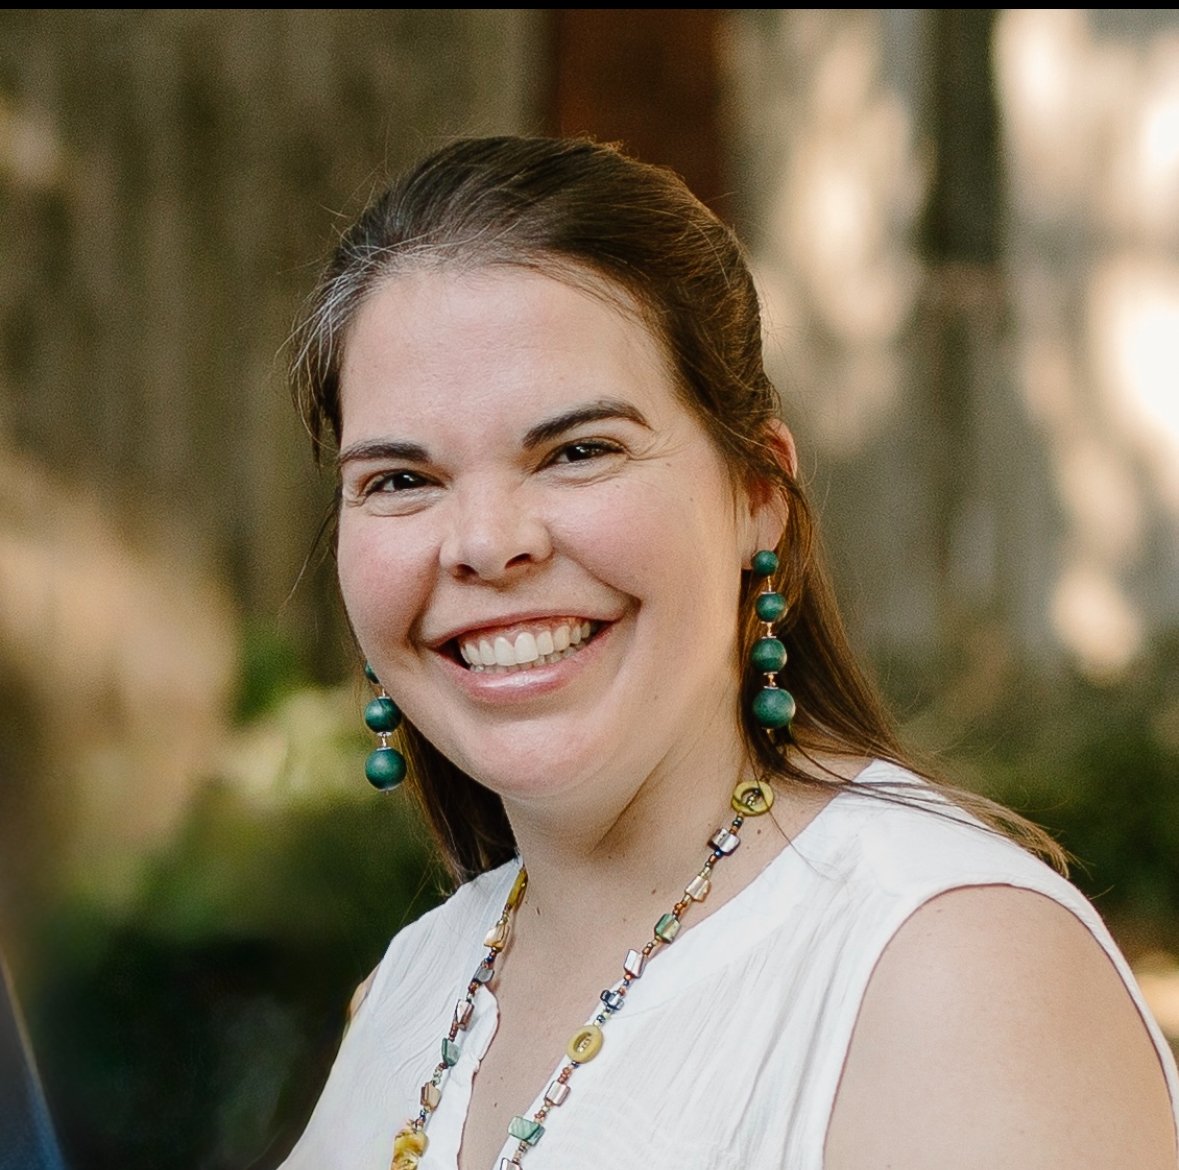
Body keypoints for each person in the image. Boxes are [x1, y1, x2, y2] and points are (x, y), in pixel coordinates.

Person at [280, 136, 1179, 1170]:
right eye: (400, 480)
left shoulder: (950, 968)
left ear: (758, 495)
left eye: (579, 452)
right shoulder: (415, 985)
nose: (485, 543)